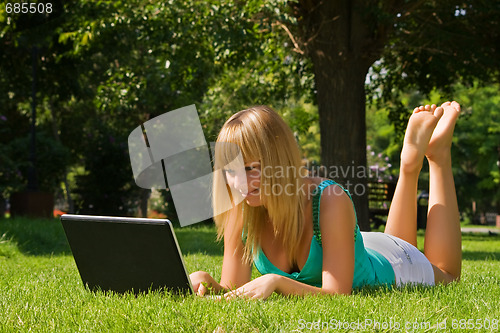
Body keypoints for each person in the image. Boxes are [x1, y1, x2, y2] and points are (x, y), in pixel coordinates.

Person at [190, 101, 462, 299]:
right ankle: (409, 165)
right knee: (394, 243)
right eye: (230, 171)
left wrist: (277, 282)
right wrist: (206, 282)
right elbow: (233, 291)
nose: (239, 184)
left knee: (446, 275)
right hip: (362, 248)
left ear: (279, 161)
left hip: (396, 265)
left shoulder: (328, 199)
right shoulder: (242, 210)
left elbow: (337, 295)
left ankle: (435, 156)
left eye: (251, 168)